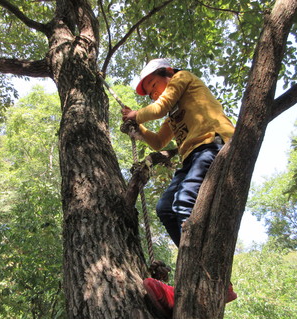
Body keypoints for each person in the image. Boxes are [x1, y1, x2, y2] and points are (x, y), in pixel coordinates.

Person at [121, 58, 237, 317]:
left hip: (211, 143)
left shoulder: (183, 78)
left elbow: (159, 107)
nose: (154, 93)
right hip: (191, 156)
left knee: (185, 203)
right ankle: (190, 282)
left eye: (154, 85)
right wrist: (137, 128)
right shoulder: (173, 112)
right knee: (165, 208)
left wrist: (136, 115)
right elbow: (159, 141)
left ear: (168, 74)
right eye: (149, 92)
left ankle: (213, 280)